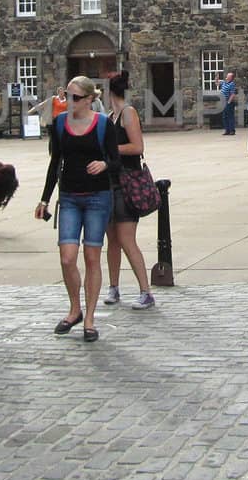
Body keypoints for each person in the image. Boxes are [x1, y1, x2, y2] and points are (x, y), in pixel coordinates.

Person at [35, 76, 123, 342]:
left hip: (98, 197)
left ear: (87, 99)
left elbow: (116, 160)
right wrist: (44, 199)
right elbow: (55, 162)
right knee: (67, 257)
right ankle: (75, 308)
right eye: (65, 95)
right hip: (70, 197)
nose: (67, 101)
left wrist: (105, 165)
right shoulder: (60, 124)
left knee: (92, 258)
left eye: (73, 97)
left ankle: (89, 319)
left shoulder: (103, 124)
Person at [103, 70, 157, 311]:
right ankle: (113, 287)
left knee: (126, 239)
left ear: (109, 91)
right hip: (110, 182)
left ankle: (146, 291)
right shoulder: (110, 116)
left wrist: (110, 149)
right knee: (112, 240)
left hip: (127, 182)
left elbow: (137, 146)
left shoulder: (128, 113)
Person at [219, 71, 238, 137]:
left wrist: (229, 102)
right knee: (224, 116)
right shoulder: (224, 82)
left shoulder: (232, 84)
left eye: (228, 76)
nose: (226, 77)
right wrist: (216, 77)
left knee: (230, 116)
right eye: (227, 76)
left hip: (228, 101)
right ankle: (227, 130)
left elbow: (232, 94)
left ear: (231, 78)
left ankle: (232, 130)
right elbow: (217, 83)